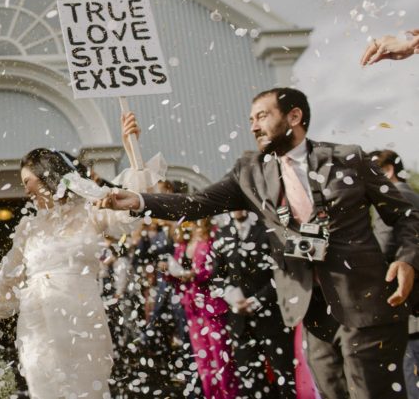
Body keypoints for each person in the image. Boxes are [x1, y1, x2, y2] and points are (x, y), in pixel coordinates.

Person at [102, 88, 419, 398]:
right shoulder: (250, 172)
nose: (253, 126)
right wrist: (139, 199)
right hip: (311, 311)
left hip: (365, 302)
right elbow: (195, 203)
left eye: (262, 116)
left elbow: (407, 214)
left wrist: (407, 258)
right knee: (331, 391)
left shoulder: (349, 158)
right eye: (251, 119)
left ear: (294, 116)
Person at [0, 148, 139, 399]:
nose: (25, 190)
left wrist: (133, 153)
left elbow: (130, 212)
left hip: (82, 320)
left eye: (28, 181)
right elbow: (7, 279)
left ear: (47, 175)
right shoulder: (28, 227)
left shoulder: (91, 212)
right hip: (37, 326)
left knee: (86, 389)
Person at [212, 210, 296, 399]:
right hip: (239, 319)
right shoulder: (222, 233)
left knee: (283, 372)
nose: (237, 209)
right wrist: (230, 296)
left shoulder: (267, 231)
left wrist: (257, 300)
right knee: (249, 377)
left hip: (271, 316)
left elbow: (281, 273)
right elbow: (216, 276)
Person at [168, 219, 238, 399]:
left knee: (221, 357)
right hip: (191, 307)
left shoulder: (213, 235)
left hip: (211, 306)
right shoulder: (184, 239)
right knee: (203, 360)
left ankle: (229, 395)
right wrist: (170, 273)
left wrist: (196, 274)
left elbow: (218, 268)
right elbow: (177, 267)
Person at [370, 150, 419, 399]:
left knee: (412, 383)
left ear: (387, 171)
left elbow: (384, 247)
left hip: (409, 308)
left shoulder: (395, 199)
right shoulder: (413, 195)